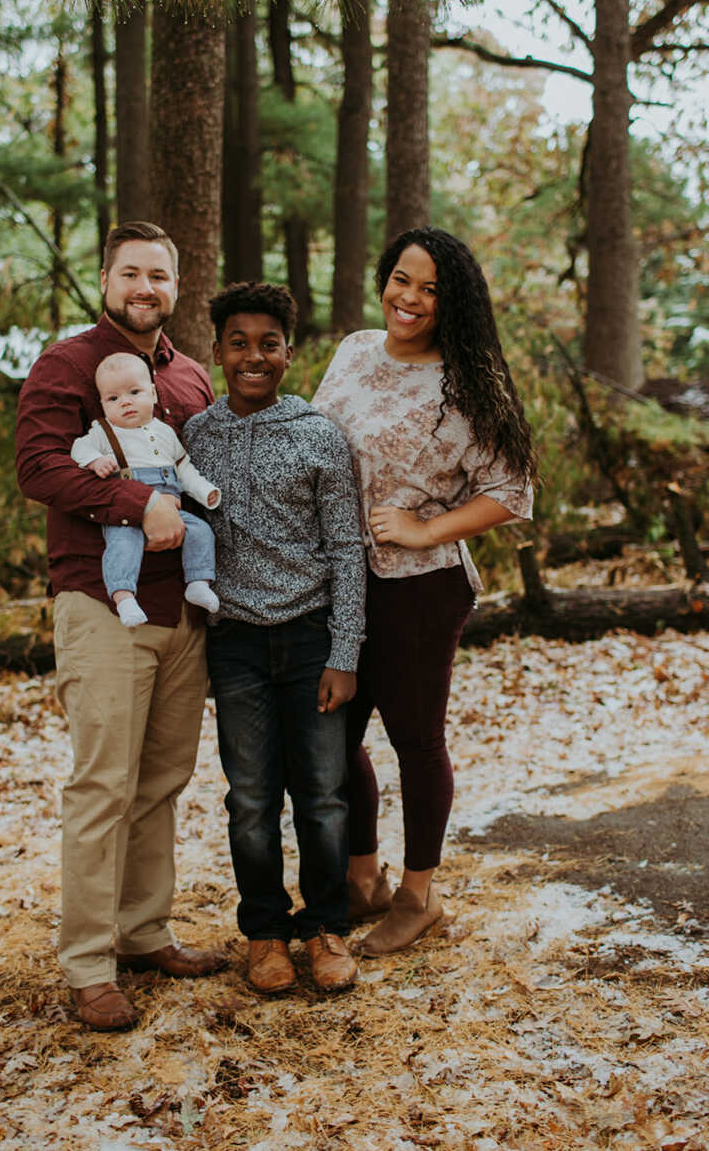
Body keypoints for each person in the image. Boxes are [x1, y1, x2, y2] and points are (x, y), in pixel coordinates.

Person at [15, 220, 227, 1033]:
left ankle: (144, 933)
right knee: (102, 785)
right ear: (105, 278)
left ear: (176, 285)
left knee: (162, 781)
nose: (147, 288)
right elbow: (40, 467)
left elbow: (206, 477)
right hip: (103, 605)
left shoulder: (192, 379)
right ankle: (88, 965)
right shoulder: (67, 365)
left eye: (161, 276)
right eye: (132, 273)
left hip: (186, 610)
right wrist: (139, 503)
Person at [312, 228, 535, 957]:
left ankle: (417, 896)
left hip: (419, 590)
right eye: (401, 280)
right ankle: (362, 877)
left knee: (414, 740)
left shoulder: (469, 383)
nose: (410, 298)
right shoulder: (352, 350)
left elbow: (512, 491)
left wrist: (420, 529)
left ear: (454, 302)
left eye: (431, 289)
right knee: (336, 737)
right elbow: (315, 444)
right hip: (337, 580)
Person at [184, 282, 366, 995]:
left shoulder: (319, 434)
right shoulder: (198, 435)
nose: (252, 357)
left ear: (290, 352)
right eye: (238, 343)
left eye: (268, 344)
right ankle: (264, 932)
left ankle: (325, 928)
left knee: (322, 794)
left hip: (312, 637)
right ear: (220, 351)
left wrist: (345, 654)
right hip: (235, 646)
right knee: (251, 797)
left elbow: (347, 548)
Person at [71, 351, 221, 626]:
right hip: (128, 511)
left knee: (201, 531)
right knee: (122, 544)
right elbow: (79, 447)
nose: (125, 402)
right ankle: (124, 596)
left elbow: (183, 468)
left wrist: (205, 491)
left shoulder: (164, 432)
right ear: (102, 404)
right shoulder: (104, 431)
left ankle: (198, 581)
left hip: (172, 507)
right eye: (113, 398)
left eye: (134, 392)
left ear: (152, 394)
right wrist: (96, 461)